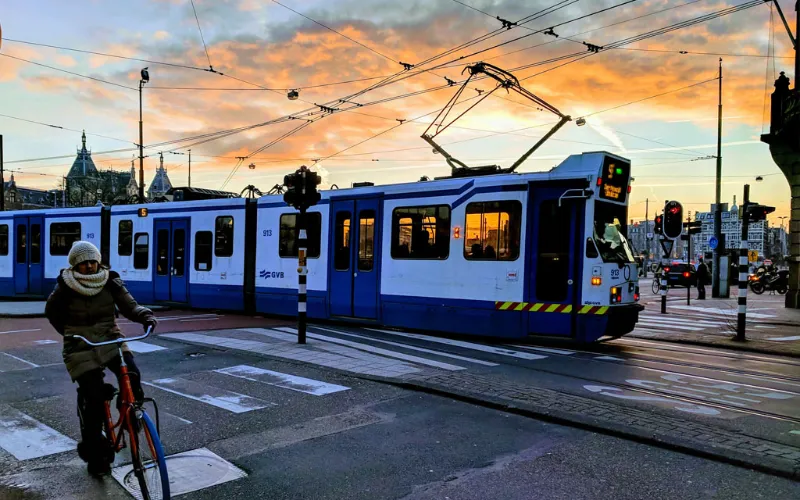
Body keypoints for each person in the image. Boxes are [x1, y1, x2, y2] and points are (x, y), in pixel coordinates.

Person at [45, 241, 157, 477]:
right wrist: (69, 333)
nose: (88, 266)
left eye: (92, 261)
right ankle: (96, 456)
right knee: (94, 398)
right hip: (80, 345)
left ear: (98, 261)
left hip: (109, 337)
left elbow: (130, 305)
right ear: (75, 265)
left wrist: (145, 316)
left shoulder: (110, 280)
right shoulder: (65, 286)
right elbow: (52, 313)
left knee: (132, 373)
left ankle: (128, 414)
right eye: (83, 263)